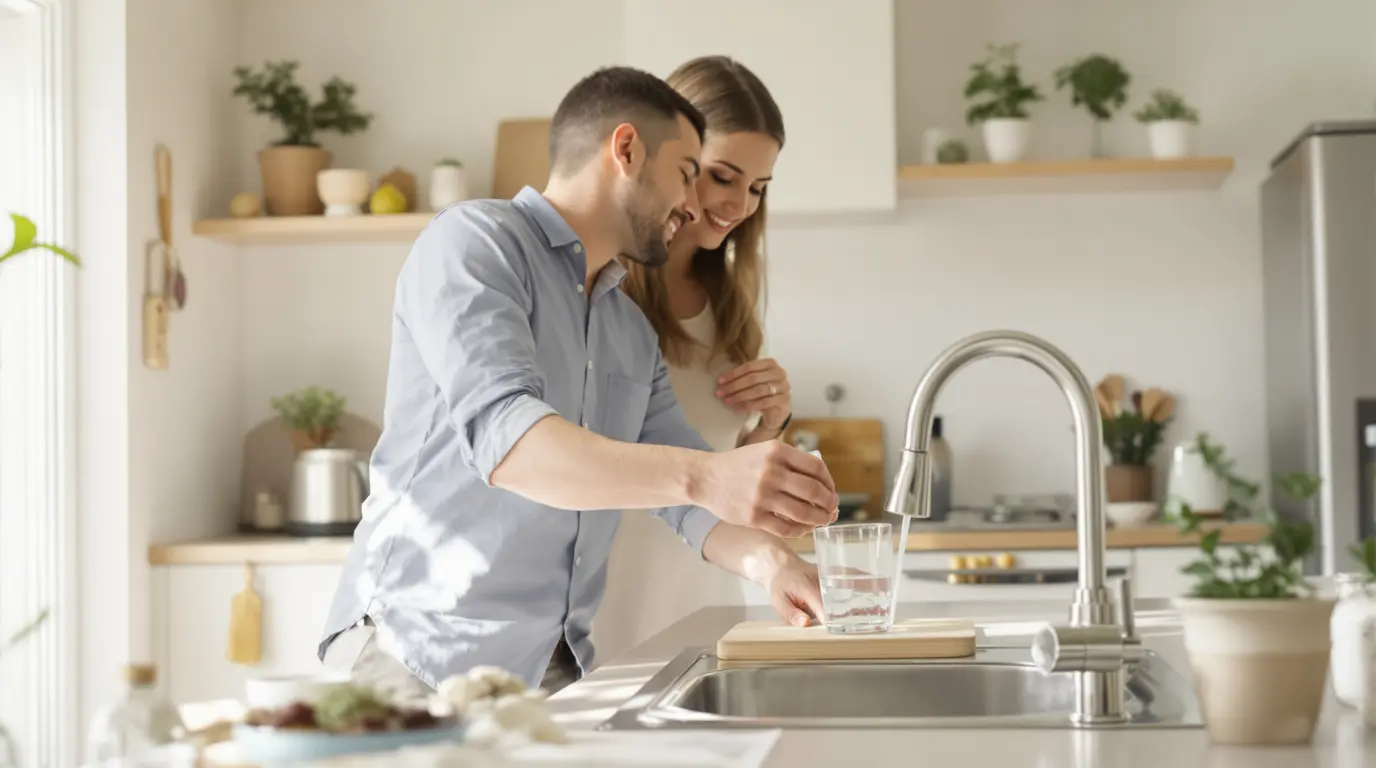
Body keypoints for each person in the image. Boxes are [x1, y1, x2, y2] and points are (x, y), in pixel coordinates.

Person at [316, 65, 838, 705]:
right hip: (423, 655)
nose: (691, 202)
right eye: (684, 172)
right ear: (626, 152)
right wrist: (708, 476)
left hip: (554, 669)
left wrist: (775, 564)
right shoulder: (475, 244)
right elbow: (511, 447)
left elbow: (683, 498)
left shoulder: (627, 329)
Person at [594, 56, 804, 664]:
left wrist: (769, 425)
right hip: (609, 601)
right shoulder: (605, 290)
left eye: (758, 188)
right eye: (722, 176)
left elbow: (719, 476)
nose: (740, 204)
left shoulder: (728, 301)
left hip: (704, 594)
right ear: (674, 159)